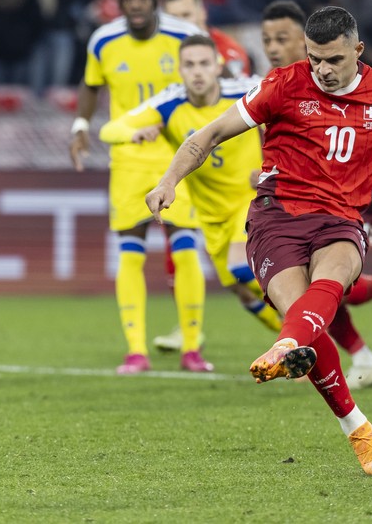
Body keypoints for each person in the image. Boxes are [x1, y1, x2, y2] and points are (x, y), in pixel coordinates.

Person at [146, 6, 372, 475]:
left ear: (357, 50)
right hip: (277, 217)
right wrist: (168, 181)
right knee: (304, 320)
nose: (323, 70)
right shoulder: (283, 85)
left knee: (331, 279)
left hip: (340, 221)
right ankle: (357, 427)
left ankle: (290, 355)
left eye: (333, 60)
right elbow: (207, 137)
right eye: (315, 60)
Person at [100, 35, 282, 347]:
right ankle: (292, 339)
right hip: (211, 215)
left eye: (204, 64)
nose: (197, 72)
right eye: (189, 65)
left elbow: (288, 113)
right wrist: (134, 133)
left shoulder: (245, 91)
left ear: (218, 66)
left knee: (242, 267)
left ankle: (304, 332)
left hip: (250, 202)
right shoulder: (169, 102)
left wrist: (272, 164)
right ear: (180, 70)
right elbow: (109, 129)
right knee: (241, 288)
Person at [69, 0, 209, 374]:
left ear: (155, 0)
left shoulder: (183, 36)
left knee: (184, 247)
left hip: (179, 158)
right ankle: (136, 351)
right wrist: (80, 127)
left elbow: (209, 79)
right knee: (130, 251)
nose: (134, 5)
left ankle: (192, 348)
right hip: (128, 159)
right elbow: (91, 84)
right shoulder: (104, 40)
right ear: (120, 1)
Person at [262, 0, 372, 389]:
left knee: (328, 280)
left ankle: (357, 339)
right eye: (267, 40)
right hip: (302, 202)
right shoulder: (281, 83)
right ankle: (357, 351)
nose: (274, 48)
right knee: (315, 288)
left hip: (355, 196)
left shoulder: (364, 81)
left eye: (282, 38)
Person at [163, 0, 251, 78]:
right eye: (173, 19)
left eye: (186, 15)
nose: (180, 24)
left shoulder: (228, 51)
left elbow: (238, 89)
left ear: (202, 12)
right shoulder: (159, 51)